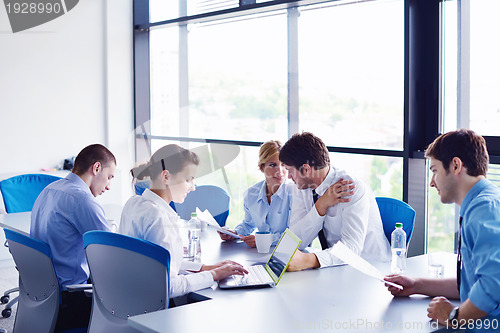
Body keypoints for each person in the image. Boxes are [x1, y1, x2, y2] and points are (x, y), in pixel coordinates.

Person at [385, 129, 500, 329]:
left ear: (456, 165)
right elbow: (473, 283)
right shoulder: (483, 202)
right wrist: (416, 285)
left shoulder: (483, 210)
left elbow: (493, 285)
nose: (431, 182)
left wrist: (454, 317)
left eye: (435, 170)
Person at [119, 144, 247, 299]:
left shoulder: (133, 204)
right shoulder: (159, 218)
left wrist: (204, 268)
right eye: (188, 180)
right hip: (152, 308)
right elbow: (169, 286)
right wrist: (213, 274)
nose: (193, 188)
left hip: (128, 297)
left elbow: (160, 263)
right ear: (166, 177)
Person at [31, 143, 116, 331]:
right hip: (72, 298)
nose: (109, 186)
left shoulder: (49, 189)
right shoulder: (82, 200)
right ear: (96, 168)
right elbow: (113, 254)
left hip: (44, 291)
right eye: (109, 177)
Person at [278, 132, 391, 271]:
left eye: (289, 170)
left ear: (306, 169)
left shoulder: (350, 187)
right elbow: (294, 241)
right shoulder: (302, 187)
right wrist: (320, 206)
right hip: (335, 267)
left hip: (369, 268)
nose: (288, 177)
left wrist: (309, 260)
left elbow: (352, 248)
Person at [219, 140, 294, 247]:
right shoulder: (251, 194)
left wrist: (264, 240)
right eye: (273, 165)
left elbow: (294, 234)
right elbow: (248, 225)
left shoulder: (295, 194)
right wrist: (234, 234)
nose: (280, 171)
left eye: (283, 165)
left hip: (288, 253)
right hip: (260, 253)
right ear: (262, 167)